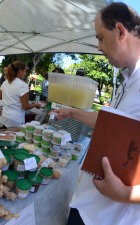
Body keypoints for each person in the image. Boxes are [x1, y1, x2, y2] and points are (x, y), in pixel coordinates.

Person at [50, 3, 140, 225]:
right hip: (86, 206)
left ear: (120, 31)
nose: (98, 46)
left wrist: (124, 194)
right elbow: (111, 123)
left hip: (110, 218)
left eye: (100, 37)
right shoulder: (127, 81)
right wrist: (72, 112)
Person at [0, 61, 43, 128]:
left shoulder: (6, 82)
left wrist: (10, 99)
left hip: (4, 117)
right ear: (20, 71)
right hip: (15, 120)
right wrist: (36, 105)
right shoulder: (22, 85)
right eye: (24, 71)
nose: (25, 73)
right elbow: (25, 107)